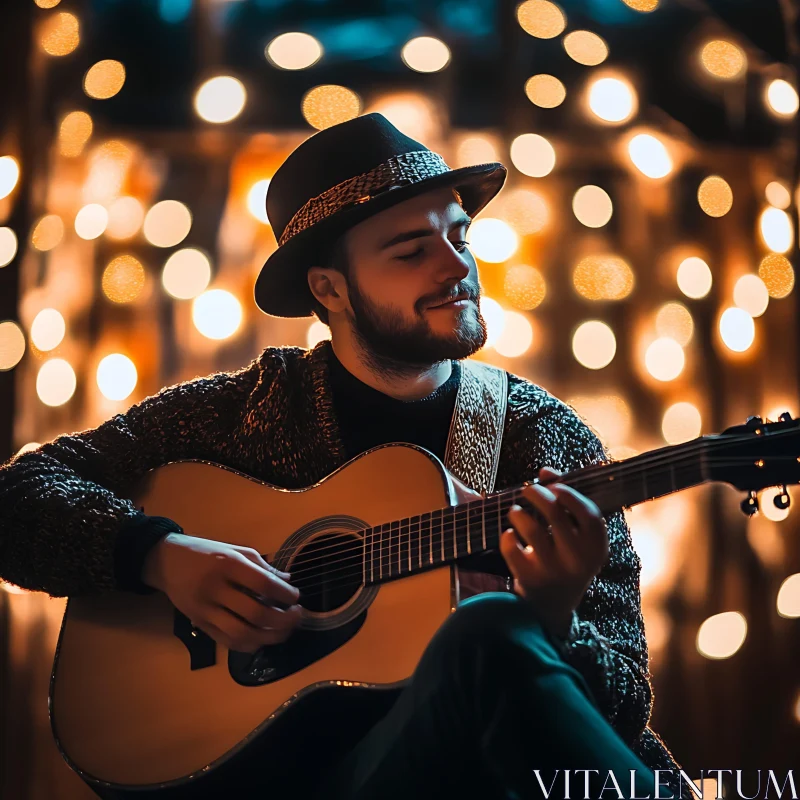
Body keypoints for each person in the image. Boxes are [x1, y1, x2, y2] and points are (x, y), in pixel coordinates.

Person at [0, 114, 685, 799]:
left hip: (448, 770)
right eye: (412, 249)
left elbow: (622, 716)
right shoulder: (242, 413)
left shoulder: (542, 437)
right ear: (329, 289)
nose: (458, 266)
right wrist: (158, 555)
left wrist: (556, 620)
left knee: (491, 629)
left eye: (459, 236)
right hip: (265, 781)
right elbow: (17, 497)